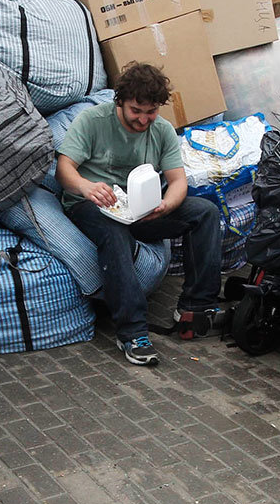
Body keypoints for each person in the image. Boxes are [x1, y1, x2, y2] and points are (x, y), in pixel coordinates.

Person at [56, 62, 223, 365]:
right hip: (93, 206)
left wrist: (166, 205)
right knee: (114, 233)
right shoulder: (92, 121)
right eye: (136, 111)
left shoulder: (161, 130)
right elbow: (64, 169)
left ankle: (195, 306)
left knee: (206, 213)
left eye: (151, 112)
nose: (144, 120)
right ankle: (132, 331)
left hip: (143, 208)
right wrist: (86, 186)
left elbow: (177, 181)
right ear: (119, 101)